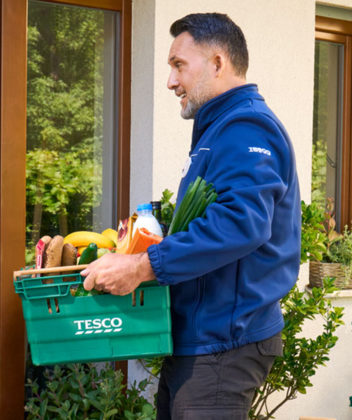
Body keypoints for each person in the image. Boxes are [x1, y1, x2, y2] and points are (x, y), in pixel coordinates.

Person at [82, 13, 300, 420]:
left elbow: (241, 222)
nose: (170, 81)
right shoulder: (220, 129)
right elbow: (217, 218)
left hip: (223, 343)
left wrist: (143, 266)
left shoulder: (246, 127)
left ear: (218, 63)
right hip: (204, 340)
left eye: (179, 65)